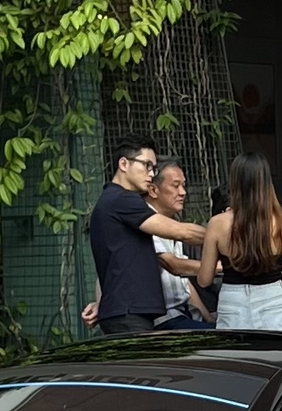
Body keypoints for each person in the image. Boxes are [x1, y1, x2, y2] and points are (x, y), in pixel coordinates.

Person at [86, 138, 206, 335]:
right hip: (129, 314)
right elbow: (180, 232)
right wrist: (225, 236)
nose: (151, 174)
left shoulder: (112, 200)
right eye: (147, 165)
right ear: (123, 164)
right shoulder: (122, 199)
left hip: (127, 313)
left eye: (154, 168)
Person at [199, 151, 282, 331]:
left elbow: (204, 280)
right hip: (272, 299)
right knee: (277, 357)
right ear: (267, 183)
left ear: (234, 183)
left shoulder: (217, 224)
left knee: (237, 358)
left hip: (232, 301)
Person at [150, 158, 213, 331]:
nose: (183, 192)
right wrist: (224, 266)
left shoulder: (171, 221)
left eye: (183, 185)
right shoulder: (145, 222)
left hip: (185, 314)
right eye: (175, 186)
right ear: (153, 190)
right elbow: (176, 266)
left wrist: (208, 317)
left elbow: (183, 283)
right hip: (164, 319)